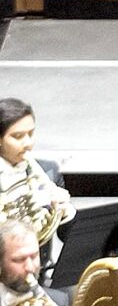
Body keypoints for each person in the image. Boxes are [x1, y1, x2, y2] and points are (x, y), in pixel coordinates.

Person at [0, 97, 73, 263]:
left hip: (37, 271)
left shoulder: (48, 171)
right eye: (17, 136)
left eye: (31, 134)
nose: (28, 143)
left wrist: (65, 212)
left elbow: (66, 235)